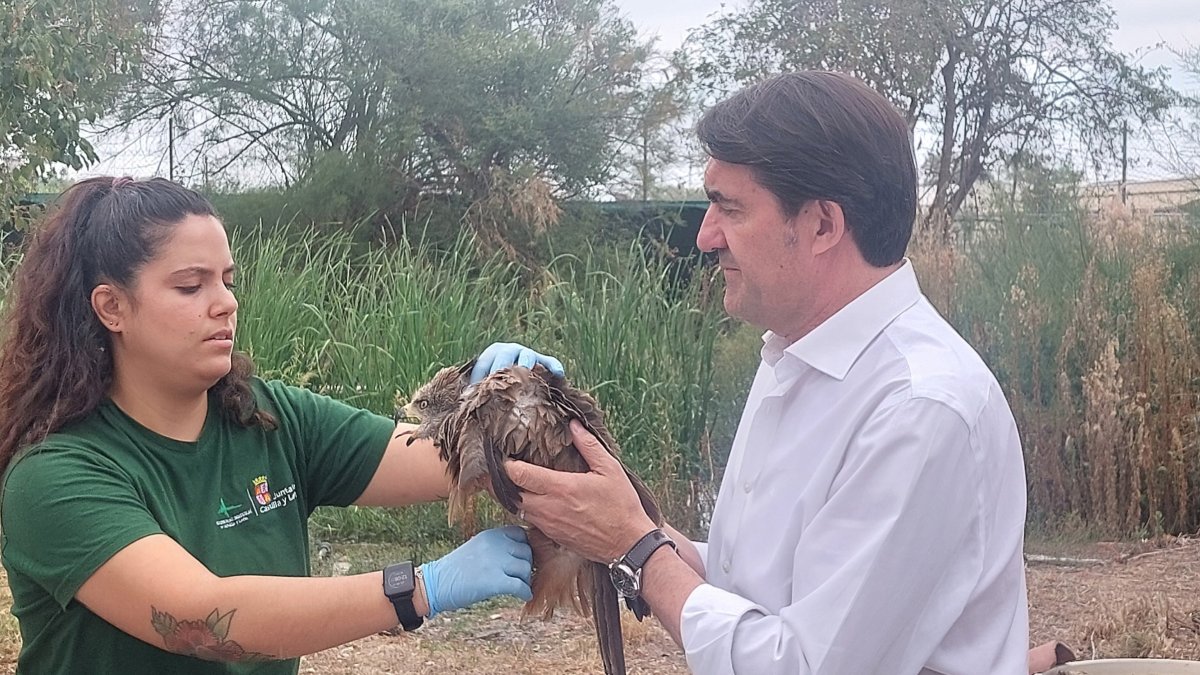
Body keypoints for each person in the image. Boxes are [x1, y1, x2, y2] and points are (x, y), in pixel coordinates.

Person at [505, 71, 1030, 674]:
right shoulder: (794, 355)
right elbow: (752, 588)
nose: (706, 237)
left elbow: (805, 664)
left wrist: (636, 547)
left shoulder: (920, 408)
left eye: (729, 208)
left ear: (823, 226)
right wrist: (609, 522)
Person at [0, 176, 560, 674]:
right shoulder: (54, 476)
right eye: (191, 286)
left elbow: (435, 458)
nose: (225, 303)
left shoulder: (265, 417)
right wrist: (419, 590)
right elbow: (201, 617)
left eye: (227, 279)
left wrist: (504, 408)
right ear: (111, 307)